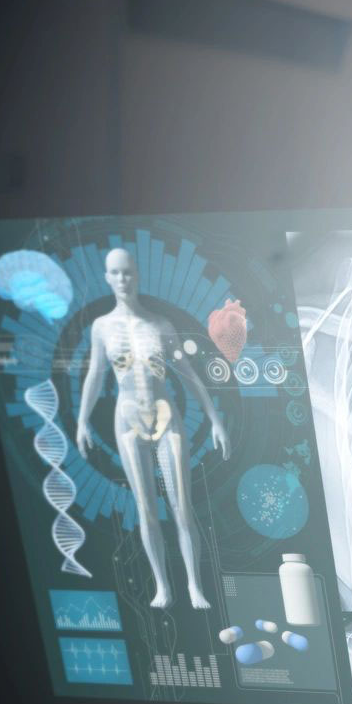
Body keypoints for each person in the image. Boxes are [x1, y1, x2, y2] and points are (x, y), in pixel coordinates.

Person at [76, 247, 231, 610]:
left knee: (182, 507)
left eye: (127, 272)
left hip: (166, 416)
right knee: (145, 507)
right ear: (107, 277)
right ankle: (163, 587)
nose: (122, 279)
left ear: (137, 274)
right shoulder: (101, 328)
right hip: (127, 418)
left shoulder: (161, 325)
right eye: (115, 273)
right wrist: (82, 420)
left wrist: (215, 417)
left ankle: (194, 586)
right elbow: (96, 375)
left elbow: (188, 374)